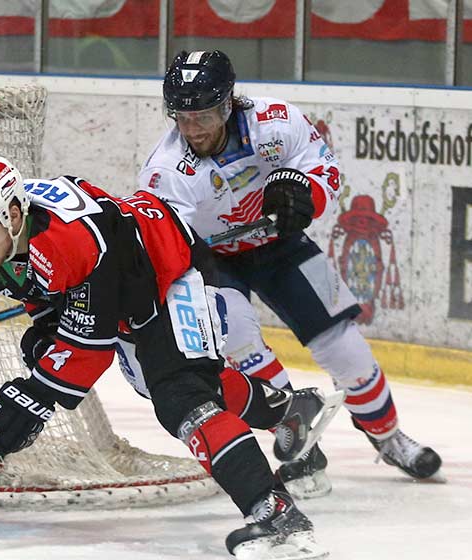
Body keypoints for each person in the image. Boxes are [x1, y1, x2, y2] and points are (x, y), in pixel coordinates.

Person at [0, 156, 337, 560]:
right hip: (122, 284)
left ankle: (276, 514)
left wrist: (32, 396)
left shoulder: (73, 239)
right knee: (163, 383)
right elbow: (47, 291)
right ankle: (287, 411)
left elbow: (91, 345)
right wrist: (46, 336)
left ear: (10, 215)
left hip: (167, 265)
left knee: (182, 398)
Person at [138, 50, 442, 497]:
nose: (193, 127)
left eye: (203, 113)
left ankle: (389, 437)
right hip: (213, 262)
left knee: (346, 347)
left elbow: (326, 169)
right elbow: (161, 242)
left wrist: (305, 193)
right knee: (238, 336)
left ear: (227, 104)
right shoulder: (165, 172)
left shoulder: (276, 122)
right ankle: (300, 438)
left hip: (280, 245)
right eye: (182, 116)